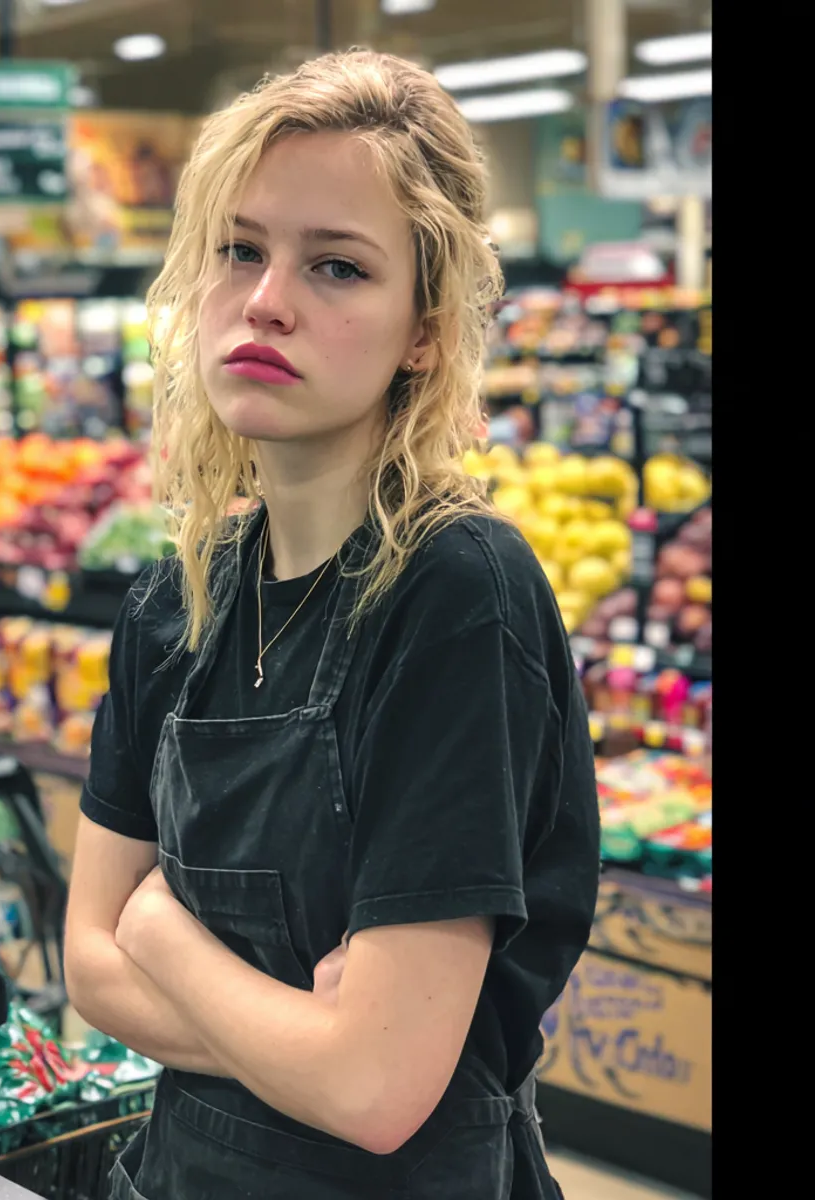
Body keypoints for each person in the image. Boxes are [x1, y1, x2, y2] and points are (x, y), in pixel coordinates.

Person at [64, 49, 601, 1200]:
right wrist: (310, 1044)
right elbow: (85, 970)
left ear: (424, 330)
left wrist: (157, 933)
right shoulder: (175, 601)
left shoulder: (456, 594)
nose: (267, 299)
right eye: (239, 248)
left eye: (338, 266)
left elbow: (375, 1094)